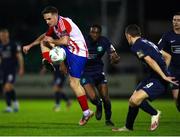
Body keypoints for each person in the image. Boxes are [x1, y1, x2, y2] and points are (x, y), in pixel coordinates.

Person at [23, 6, 93, 125]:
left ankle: (87, 112)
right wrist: (30, 45)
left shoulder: (63, 23)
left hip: (78, 52)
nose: (47, 21)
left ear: (56, 15)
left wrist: (52, 40)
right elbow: (44, 37)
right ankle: (49, 61)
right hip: (68, 51)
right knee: (44, 41)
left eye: (49, 19)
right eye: (45, 19)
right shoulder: (54, 25)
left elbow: (65, 41)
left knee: (74, 83)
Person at [112, 24, 178, 132]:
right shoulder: (148, 42)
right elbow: (168, 56)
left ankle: (155, 113)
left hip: (159, 79)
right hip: (153, 76)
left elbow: (149, 60)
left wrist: (163, 75)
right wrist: (164, 70)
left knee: (135, 99)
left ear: (128, 35)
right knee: (132, 101)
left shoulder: (136, 46)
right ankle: (128, 127)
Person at [80, 24, 120, 126]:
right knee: (93, 98)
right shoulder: (83, 41)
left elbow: (113, 54)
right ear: (89, 32)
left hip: (98, 72)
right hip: (86, 72)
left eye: (97, 32)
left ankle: (108, 119)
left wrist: (115, 58)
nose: (94, 34)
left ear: (100, 34)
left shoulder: (104, 41)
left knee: (106, 98)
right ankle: (98, 105)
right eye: (92, 32)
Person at [158, 12, 180, 111]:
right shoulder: (167, 35)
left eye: (178, 20)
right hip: (173, 70)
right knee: (176, 98)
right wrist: (166, 55)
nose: (176, 22)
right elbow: (157, 48)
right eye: (174, 20)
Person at [0, 28, 24, 112]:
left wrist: (21, 68)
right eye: (1, 35)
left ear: (7, 35)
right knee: (7, 88)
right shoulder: (1, 46)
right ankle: (15, 102)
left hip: (12, 69)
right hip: (3, 70)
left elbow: (19, 57)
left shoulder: (13, 45)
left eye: (4, 35)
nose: (3, 37)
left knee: (7, 86)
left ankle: (9, 107)